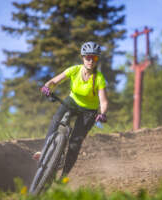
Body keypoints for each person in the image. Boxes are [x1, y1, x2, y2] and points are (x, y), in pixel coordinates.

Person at [34, 41, 108, 177]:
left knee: (75, 143)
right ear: (82, 58)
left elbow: (103, 101)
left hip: (89, 111)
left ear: (98, 59)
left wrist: (102, 114)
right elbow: (54, 81)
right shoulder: (74, 70)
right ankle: (45, 151)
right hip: (72, 102)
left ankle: (64, 176)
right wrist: (47, 87)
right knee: (56, 120)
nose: (91, 61)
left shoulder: (99, 78)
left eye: (95, 58)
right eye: (88, 57)